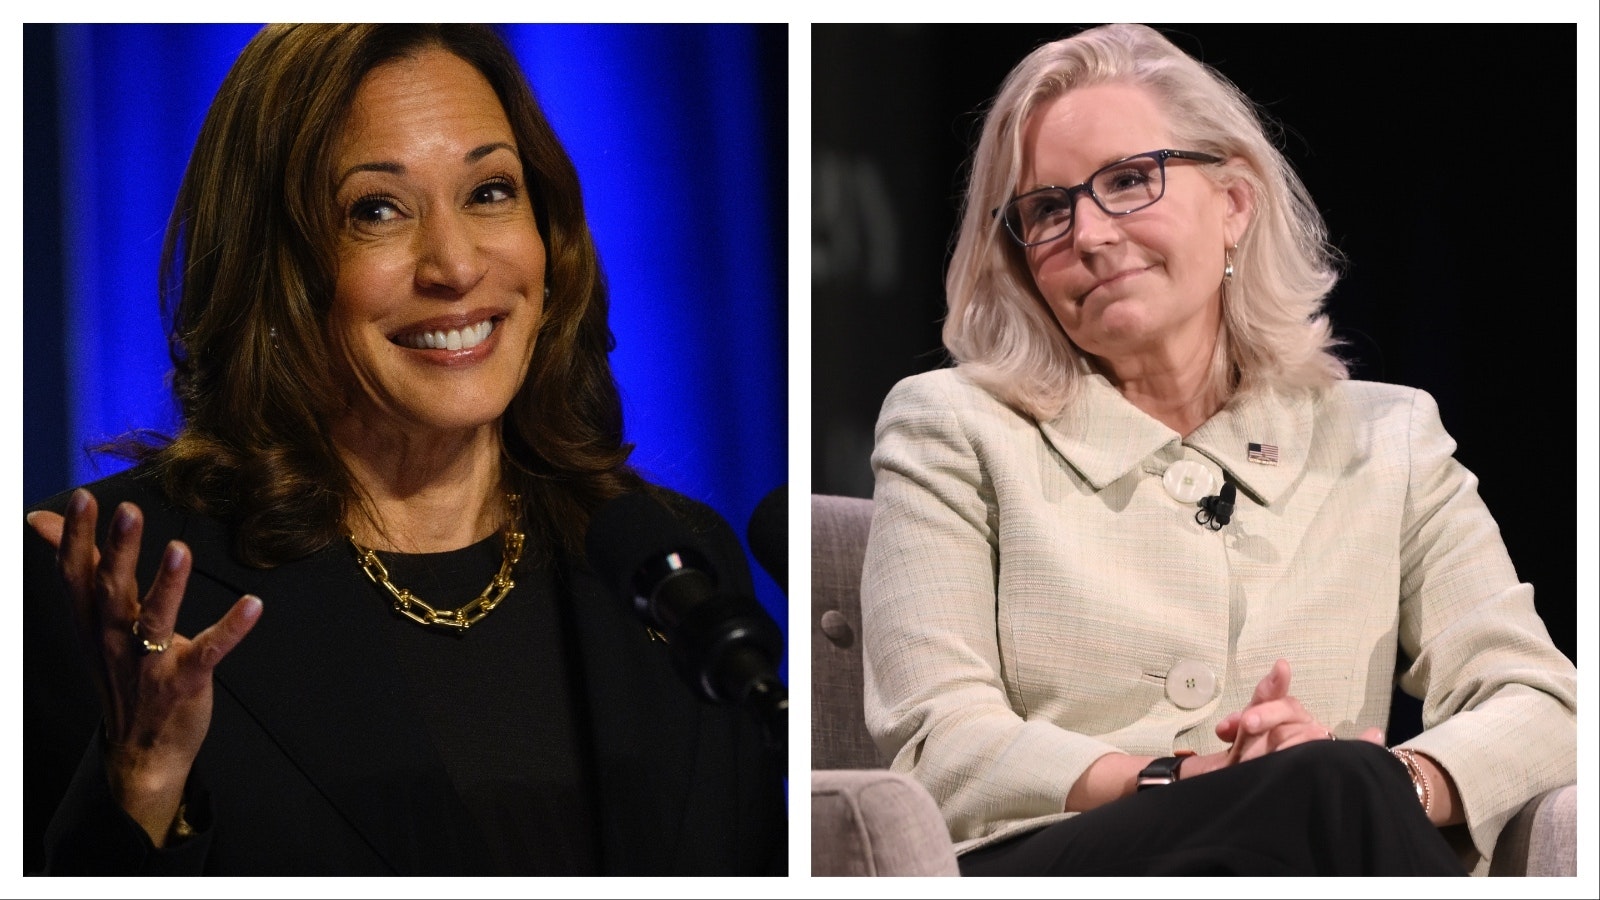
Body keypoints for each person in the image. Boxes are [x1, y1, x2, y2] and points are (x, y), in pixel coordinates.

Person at [23, 23, 785, 876]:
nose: (456, 266)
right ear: (272, 266)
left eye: (490, 191)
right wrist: (141, 782)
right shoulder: (110, 590)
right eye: (376, 210)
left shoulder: (674, 569)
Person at [860, 23, 1575, 876]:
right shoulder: (952, 425)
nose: (1087, 233)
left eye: (1129, 180)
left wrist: (1403, 780)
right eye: (1047, 209)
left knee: (1336, 784)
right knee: (1327, 788)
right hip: (1060, 856)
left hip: (1335, 831)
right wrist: (1179, 777)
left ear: (1234, 204)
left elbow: (1539, 701)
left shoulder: (1389, 438)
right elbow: (939, 739)